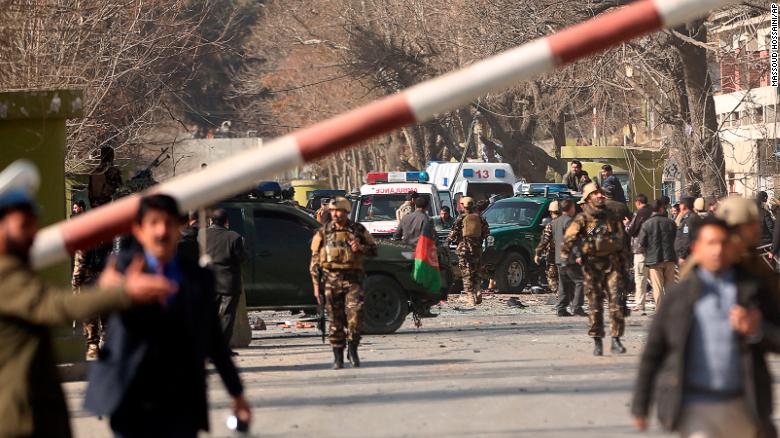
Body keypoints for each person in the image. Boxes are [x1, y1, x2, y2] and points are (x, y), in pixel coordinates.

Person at [0, 161, 175, 438]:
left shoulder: (16, 270)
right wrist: (121, 291)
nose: (33, 235)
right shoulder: (5, 276)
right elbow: (54, 305)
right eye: (24, 226)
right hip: (19, 423)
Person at [84, 195, 251, 437]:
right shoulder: (121, 268)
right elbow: (85, 303)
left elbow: (214, 340)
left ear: (179, 227)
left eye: (169, 223)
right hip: (131, 400)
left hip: (181, 401)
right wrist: (113, 291)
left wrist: (237, 394)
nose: (161, 231)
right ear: (139, 230)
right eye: (153, 223)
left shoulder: (198, 277)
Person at [631, 218, 780, 437]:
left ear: (732, 247)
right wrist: (640, 405)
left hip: (743, 405)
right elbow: (654, 350)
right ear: (696, 248)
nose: (717, 250)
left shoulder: (751, 290)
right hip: (695, 408)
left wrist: (757, 330)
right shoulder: (679, 296)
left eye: (723, 243)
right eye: (710, 243)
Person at [561, 182, 629, 356]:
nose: (600, 196)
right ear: (588, 198)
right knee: (594, 304)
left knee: (616, 302)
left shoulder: (611, 217)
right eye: (595, 193)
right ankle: (597, 340)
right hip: (592, 267)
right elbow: (569, 239)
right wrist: (568, 258)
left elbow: (621, 240)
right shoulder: (584, 219)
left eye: (600, 193)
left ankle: (615, 339)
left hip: (612, 265)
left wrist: (624, 265)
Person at [310, 197, 377, 369]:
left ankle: (352, 350)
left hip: (353, 281)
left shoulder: (358, 230)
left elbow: (374, 250)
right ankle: (337, 356)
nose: (334, 214)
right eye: (332, 211)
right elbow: (315, 261)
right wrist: (316, 286)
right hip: (331, 282)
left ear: (346, 211)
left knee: (355, 316)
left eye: (338, 211)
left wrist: (360, 248)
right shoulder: (323, 232)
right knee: (335, 320)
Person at [206, 209, 248, 345]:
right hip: (229, 282)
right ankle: (222, 347)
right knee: (227, 315)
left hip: (209, 281)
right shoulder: (234, 237)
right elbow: (241, 258)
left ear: (211, 221)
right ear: (226, 222)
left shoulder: (202, 235)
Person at [447, 196, 490, 307]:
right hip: (477, 249)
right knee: (476, 270)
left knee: (466, 273)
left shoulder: (460, 218)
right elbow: (486, 233)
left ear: (463, 206)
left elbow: (453, 234)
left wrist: (446, 244)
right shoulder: (480, 218)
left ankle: (470, 296)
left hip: (463, 249)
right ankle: (478, 290)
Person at [637, 199, 677, 311]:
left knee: (657, 287)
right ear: (661, 209)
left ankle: (660, 310)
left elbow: (642, 243)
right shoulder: (670, 223)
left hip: (654, 260)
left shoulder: (646, 224)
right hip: (669, 258)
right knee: (670, 286)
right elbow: (676, 239)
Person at [551, 200, 586, 317]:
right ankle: (577, 307)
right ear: (571, 208)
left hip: (559, 258)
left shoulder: (555, 222)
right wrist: (578, 255)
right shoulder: (570, 221)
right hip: (569, 257)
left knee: (563, 284)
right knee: (579, 282)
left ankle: (561, 308)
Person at [626, 194, 653, 314]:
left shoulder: (639, 213)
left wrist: (627, 224)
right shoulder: (653, 212)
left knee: (640, 277)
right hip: (653, 250)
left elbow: (631, 230)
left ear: (638, 202)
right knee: (655, 279)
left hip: (640, 249)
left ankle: (639, 304)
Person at [535, 201, 561, 300]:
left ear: (551, 212)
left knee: (552, 276)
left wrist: (538, 253)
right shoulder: (569, 223)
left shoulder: (551, 225)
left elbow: (544, 240)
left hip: (553, 254)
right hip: (568, 254)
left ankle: (559, 293)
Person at [674, 197, 702, 267]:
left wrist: (683, 256)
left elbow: (687, 239)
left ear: (684, 206)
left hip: (688, 257)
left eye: (680, 204)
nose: (679, 206)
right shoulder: (690, 217)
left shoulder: (689, 219)